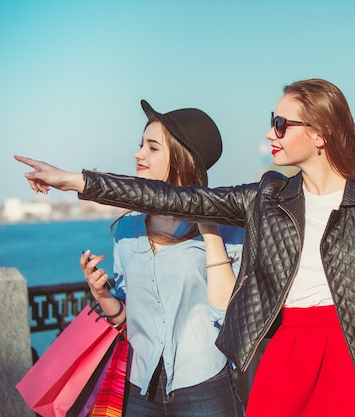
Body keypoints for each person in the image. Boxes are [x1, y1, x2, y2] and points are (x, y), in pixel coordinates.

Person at [15, 78, 355, 417]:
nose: (271, 133)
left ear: (321, 134)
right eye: (272, 120)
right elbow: (172, 197)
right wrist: (75, 180)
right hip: (282, 354)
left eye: (282, 124)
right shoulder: (265, 196)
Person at [76, 100, 245, 416]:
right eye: (142, 145)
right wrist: (101, 293)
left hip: (204, 385)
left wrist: (206, 220)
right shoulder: (126, 229)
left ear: (181, 160)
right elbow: (126, 317)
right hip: (139, 389)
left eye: (152, 147)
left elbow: (228, 312)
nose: (139, 154)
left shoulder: (229, 229)